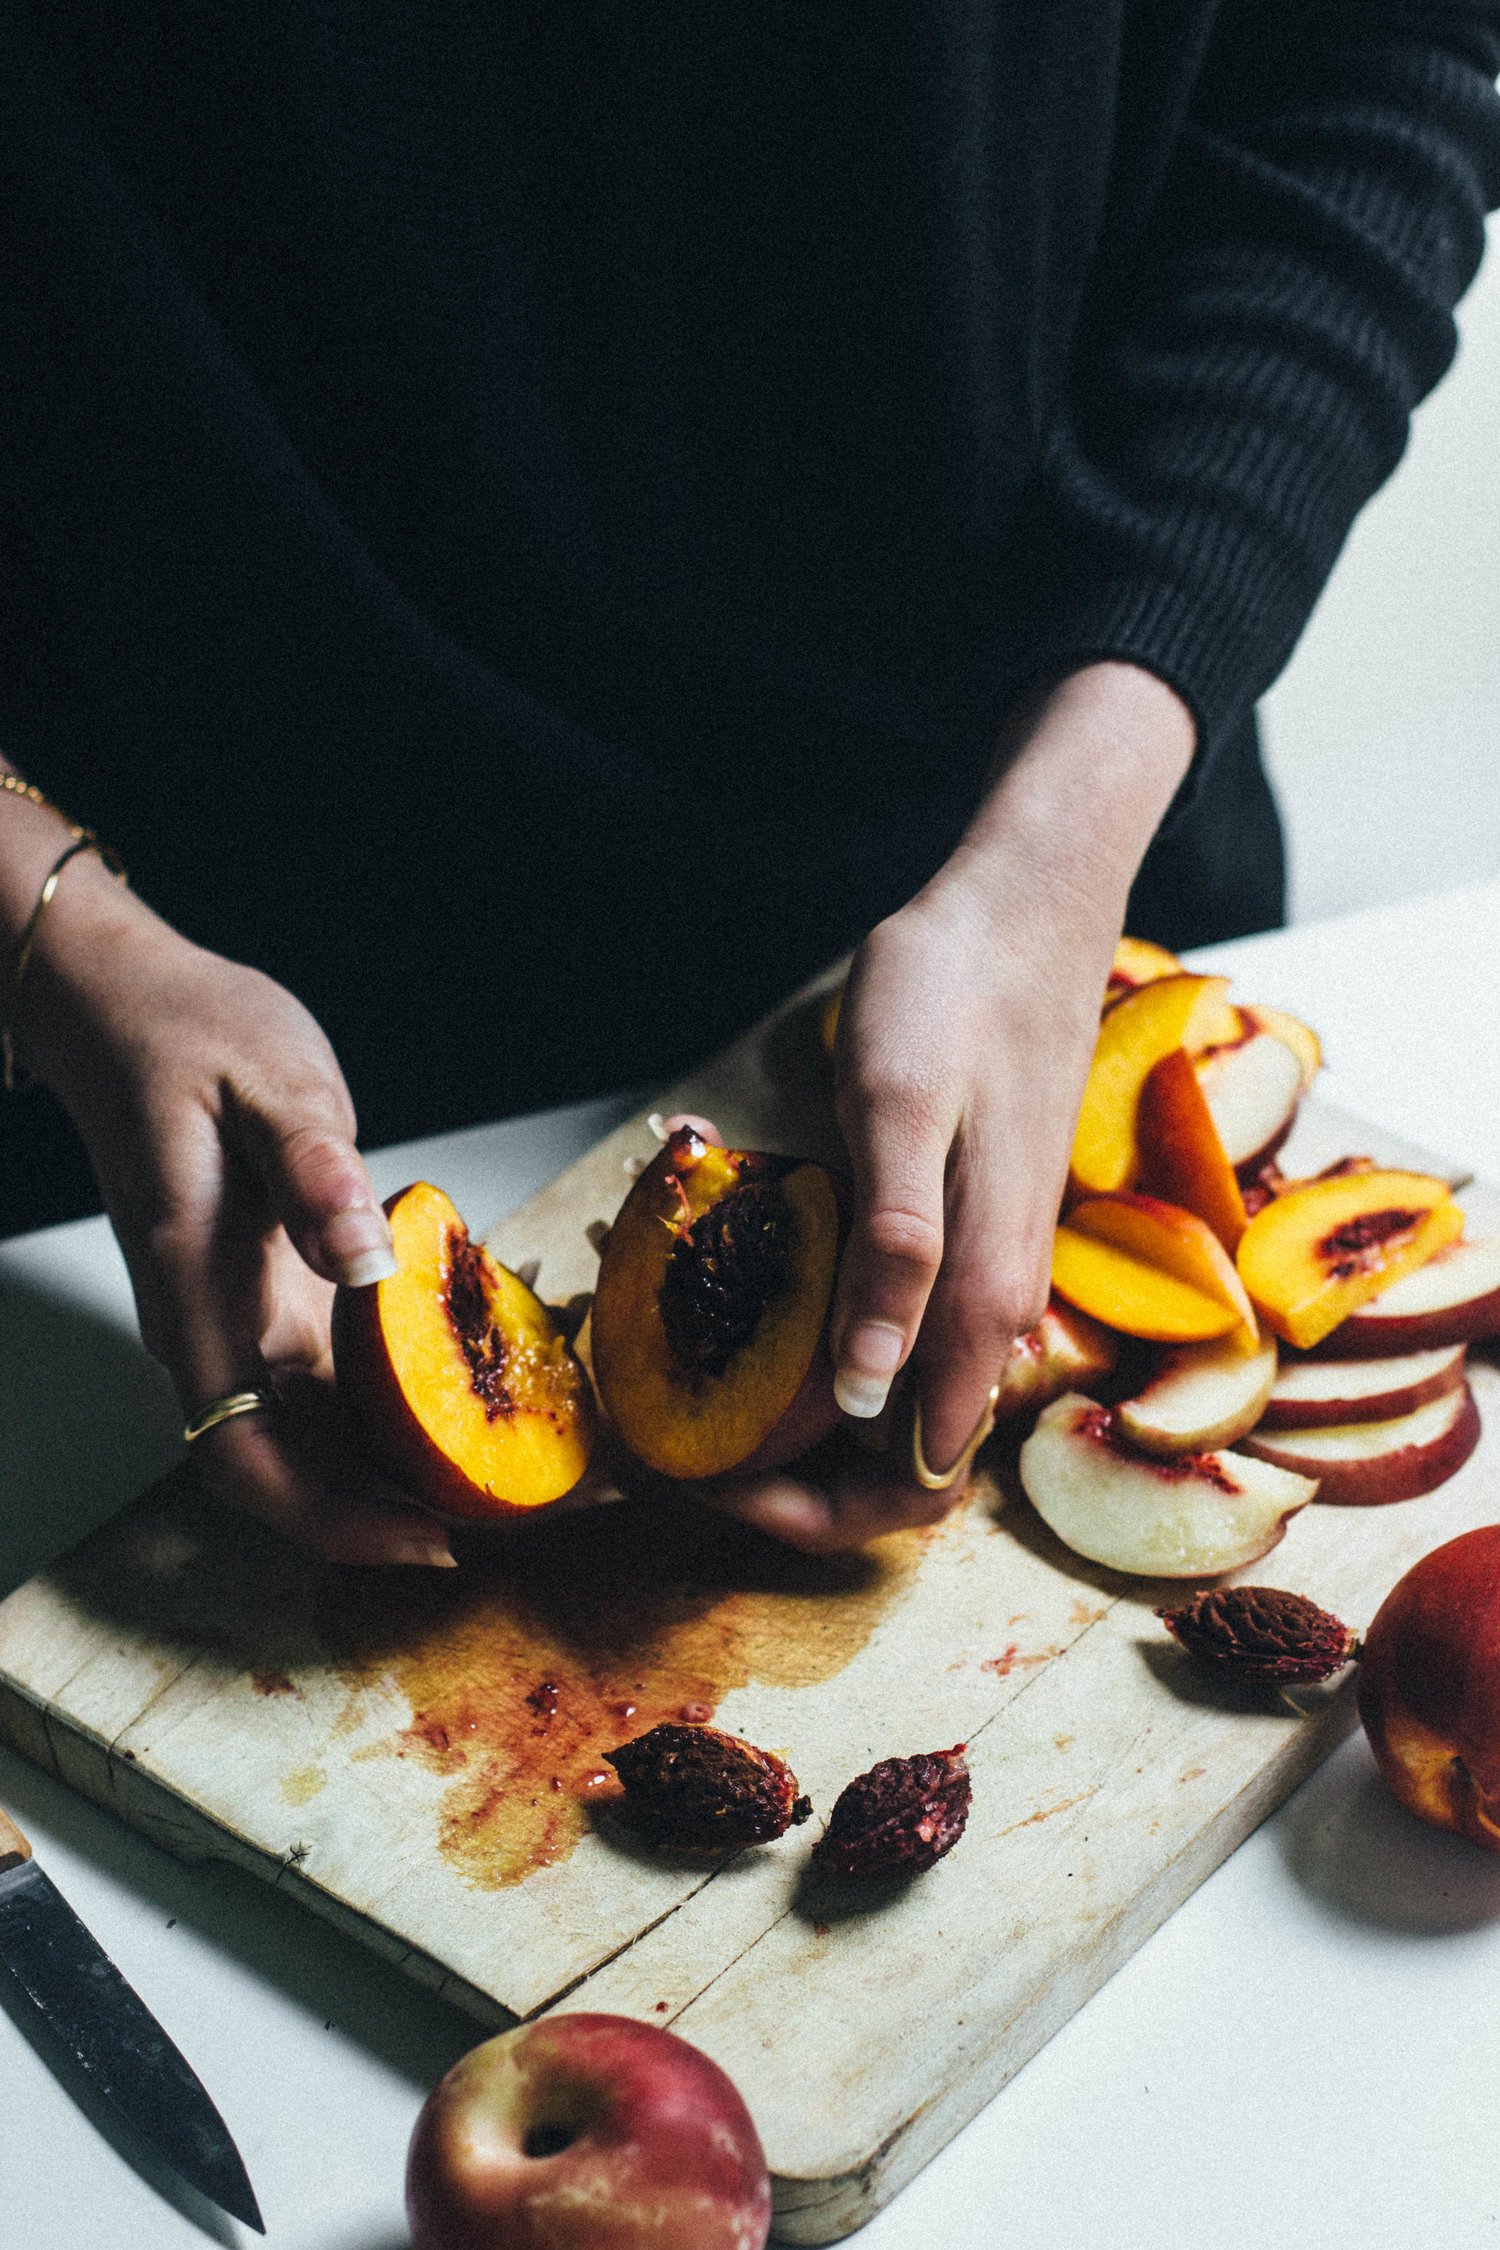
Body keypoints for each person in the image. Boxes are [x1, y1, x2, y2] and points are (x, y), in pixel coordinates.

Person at [4, 6, 1498, 1563]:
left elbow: (1365, 74)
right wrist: (51, 935)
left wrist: (1067, 835)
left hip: (1032, 928)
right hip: (183, 1077)